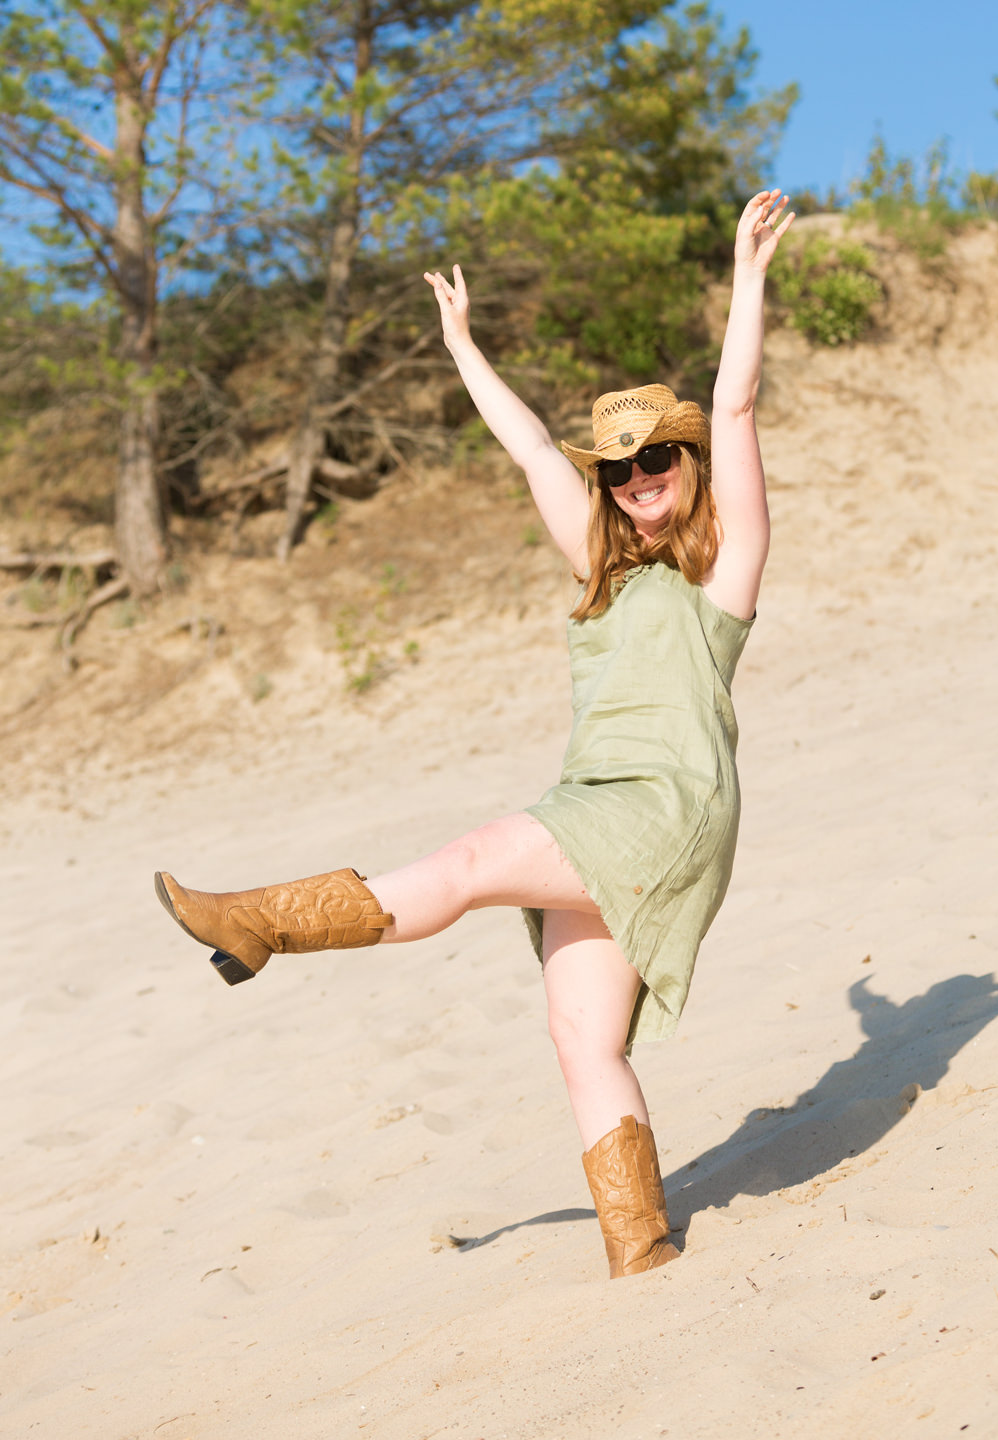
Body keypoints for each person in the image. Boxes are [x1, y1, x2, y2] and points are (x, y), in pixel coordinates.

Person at [155, 188, 795, 1279]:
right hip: (594, 804)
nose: (640, 483)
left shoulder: (718, 580)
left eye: (657, 463)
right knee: (580, 1040)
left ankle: (261, 921)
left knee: (470, 860)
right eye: (622, 471)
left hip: (664, 805)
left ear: (683, 467)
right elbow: (533, 448)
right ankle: (641, 1248)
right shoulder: (598, 575)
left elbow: (732, 410)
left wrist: (746, 272)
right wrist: (460, 343)